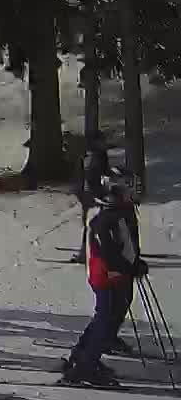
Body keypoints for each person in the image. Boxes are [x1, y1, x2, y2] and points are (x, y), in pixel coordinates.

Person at [65, 176, 146, 386]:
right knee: (105, 318)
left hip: (117, 275)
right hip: (105, 277)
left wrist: (135, 261)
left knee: (111, 315)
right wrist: (131, 266)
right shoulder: (105, 219)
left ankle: (85, 355)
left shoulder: (121, 214)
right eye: (126, 192)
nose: (131, 196)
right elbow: (110, 254)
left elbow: (126, 245)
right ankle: (85, 366)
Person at [74, 134, 117, 263]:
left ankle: (108, 248)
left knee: (105, 222)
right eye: (102, 141)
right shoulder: (91, 157)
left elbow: (105, 172)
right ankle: (84, 252)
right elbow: (88, 178)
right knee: (91, 224)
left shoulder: (101, 155)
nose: (104, 144)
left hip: (99, 195)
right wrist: (93, 195)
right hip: (90, 195)